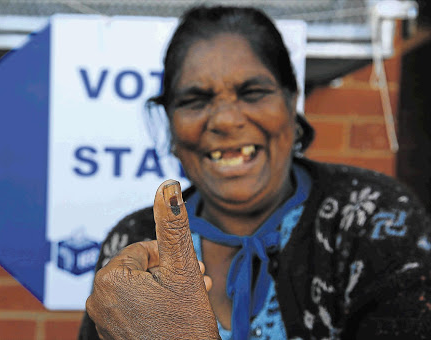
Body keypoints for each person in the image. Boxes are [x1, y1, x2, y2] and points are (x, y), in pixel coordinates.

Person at [79, 5, 431, 340]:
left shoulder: (373, 221)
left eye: (253, 92)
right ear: (171, 125)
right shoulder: (134, 244)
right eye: (195, 100)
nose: (226, 120)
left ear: (292, 103)